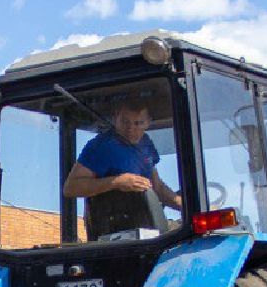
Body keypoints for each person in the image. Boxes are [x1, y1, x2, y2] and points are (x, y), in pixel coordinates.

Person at [62, 99, 181, 238]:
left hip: (147, 226)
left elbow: (158, 187)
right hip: (116, 232)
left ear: (148, 122)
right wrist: (117, 182)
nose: (131, 128)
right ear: (116, 117)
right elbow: (71, 188)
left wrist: (187, 207)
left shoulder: (145, 143)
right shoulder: (101, 146)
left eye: (138, 123)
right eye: (125, 122)